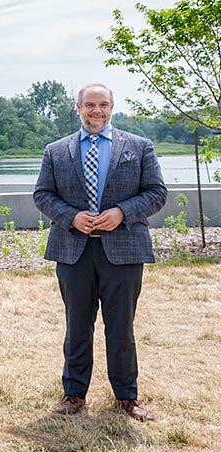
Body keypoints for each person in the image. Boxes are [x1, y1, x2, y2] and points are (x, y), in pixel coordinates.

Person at [33, 83, 166, 421]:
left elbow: (157, 193)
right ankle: (74, 394)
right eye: (90, 104)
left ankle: (127, 397)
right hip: (73, 250)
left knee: (121, 327)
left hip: (124, 249)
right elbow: (43, 196)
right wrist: (71, 217)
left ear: (112, 107)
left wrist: (121, 213)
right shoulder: (55, 150)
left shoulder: (139, 147)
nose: (96, 110)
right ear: (78, 108)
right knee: (77, 325)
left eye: (103, 104)